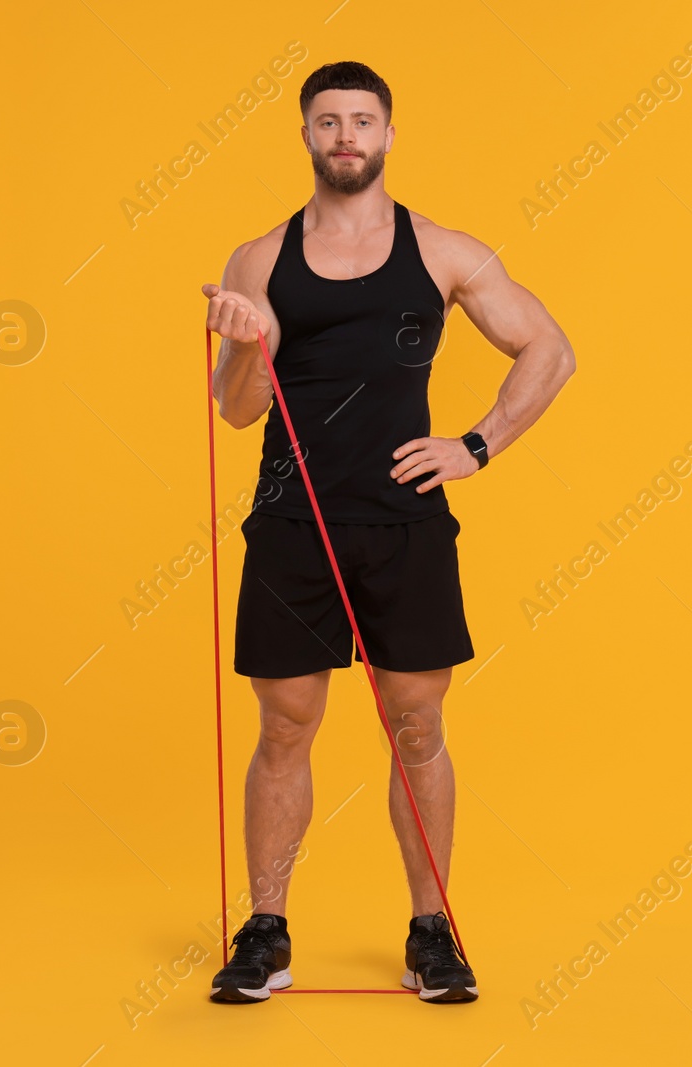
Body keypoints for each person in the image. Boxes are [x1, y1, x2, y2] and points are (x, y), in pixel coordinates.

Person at [201, 60, 575, 1004]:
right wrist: (249, 339)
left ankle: (430, 929)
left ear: (388, 133)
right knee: (285, 726)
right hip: (292, 522)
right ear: (306, 136)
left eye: (361, 120)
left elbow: (550, 347)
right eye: (328, 121)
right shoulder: (261, 259)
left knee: (416, 726)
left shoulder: (445, 251)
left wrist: (476, 445)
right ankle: (268, 930)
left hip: (404, 523)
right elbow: (238, 410)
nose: (346, 137)